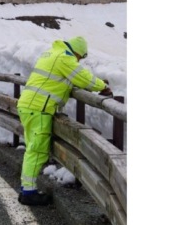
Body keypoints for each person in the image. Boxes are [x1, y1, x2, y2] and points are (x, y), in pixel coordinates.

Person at [16, 36, 112, 206]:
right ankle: (28, 192)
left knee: (33, 148)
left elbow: (68, 78)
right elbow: (81, 77)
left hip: (30, 105)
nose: (79, 60)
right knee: (36, 151)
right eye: (80, 57)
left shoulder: (53, 53)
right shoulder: (64, 57)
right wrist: (102, 86)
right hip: (38, 108)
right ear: (77, 52)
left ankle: (27, 189)